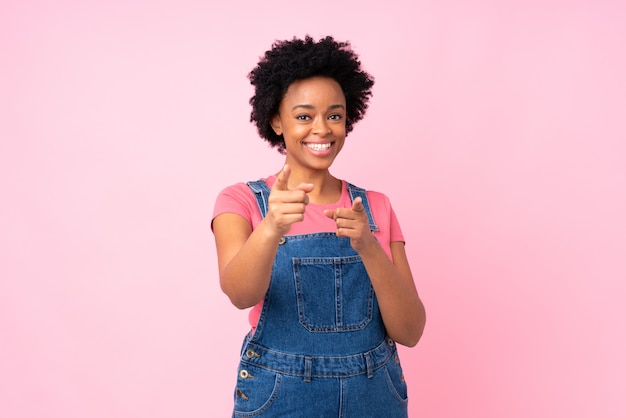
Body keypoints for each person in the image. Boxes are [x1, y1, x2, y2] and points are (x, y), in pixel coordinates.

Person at [212, 35, 426, 417]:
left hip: (373, 397)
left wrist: (368, 245)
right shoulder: (241, 201)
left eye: (334, 115)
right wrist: (272, 226)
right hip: (281, 396)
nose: (322, 129)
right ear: (276, 121)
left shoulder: (374, 207)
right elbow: (239, 294)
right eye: (304, 116)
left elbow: (410, 331)